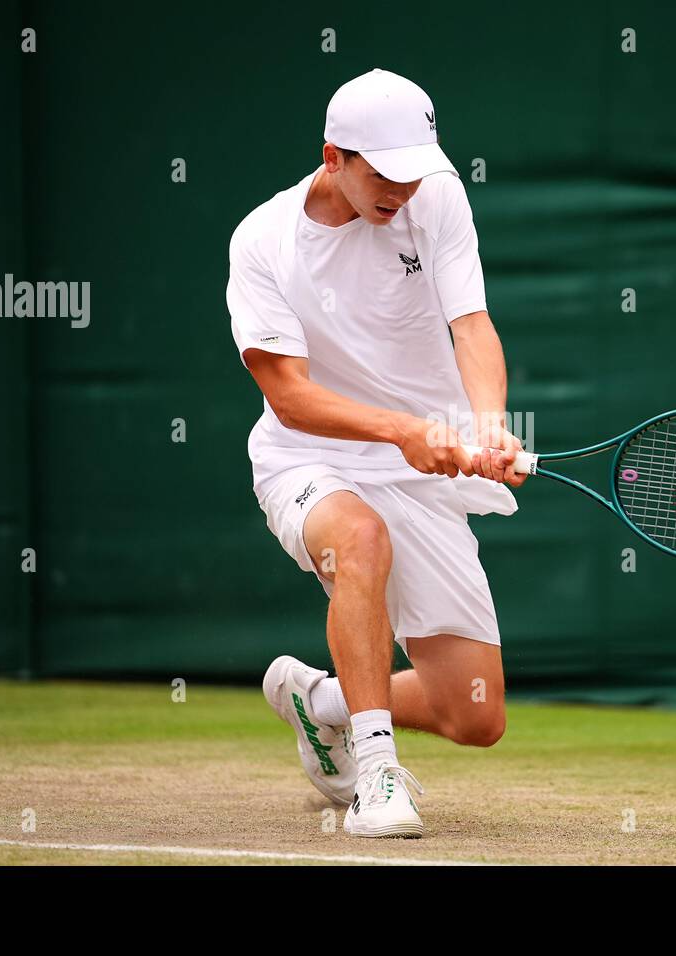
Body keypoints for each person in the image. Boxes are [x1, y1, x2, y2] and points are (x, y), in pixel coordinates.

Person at [226, 68, 526, 838]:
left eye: (414, 170)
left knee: (475, 713)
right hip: (306, 458)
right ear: (334, 158)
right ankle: (377, 776)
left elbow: (472, 325)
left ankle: (320, 702)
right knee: (360, 539)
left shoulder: (436, 200)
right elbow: (290, 395)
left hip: (417, 462)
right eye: (383, 172)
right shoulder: (263, 242)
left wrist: (487, 425)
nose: (403, 188)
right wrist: (401, 429)